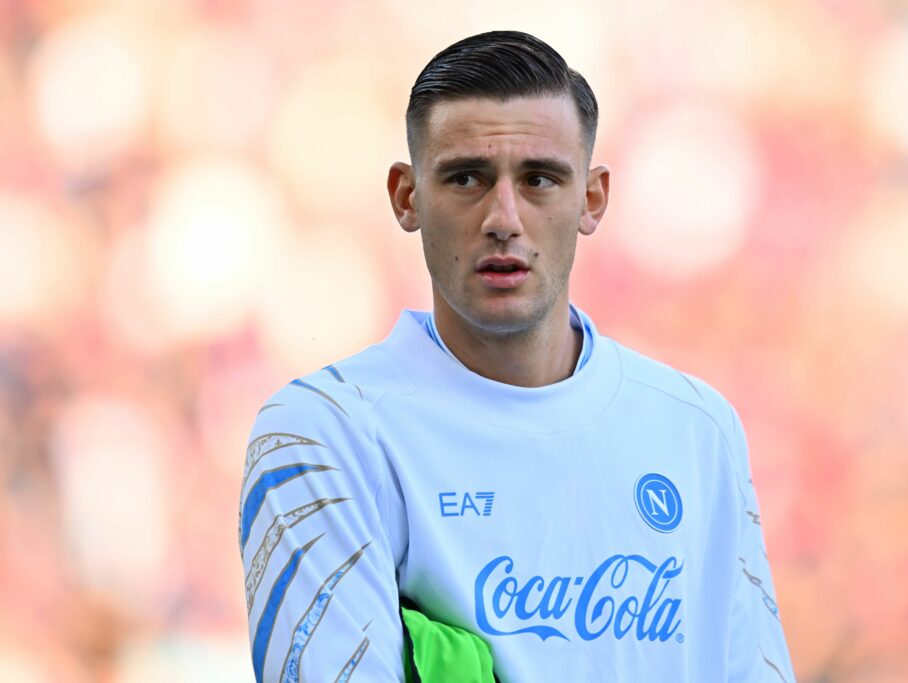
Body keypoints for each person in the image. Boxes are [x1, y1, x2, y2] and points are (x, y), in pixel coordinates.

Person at [239, 30, 795, 682]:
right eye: (466, 178)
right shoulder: (326, 433)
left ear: (591, 199)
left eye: (539, 179)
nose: (503, 217)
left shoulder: (697, 428)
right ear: (406, 196)